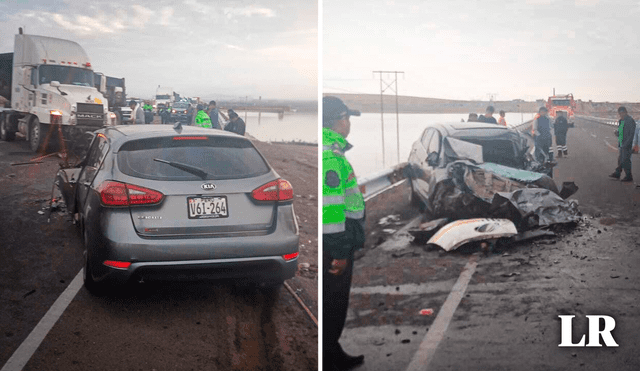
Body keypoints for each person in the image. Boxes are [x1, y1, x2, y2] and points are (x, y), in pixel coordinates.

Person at [322, 96, 366, 371]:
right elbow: (331, 209)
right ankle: (329, 357)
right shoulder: (331, 156)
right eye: (346, 117)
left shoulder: (333, 152)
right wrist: (339, 253)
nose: (349, 123)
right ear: (337, 121)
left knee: (334, 302)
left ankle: (331, 351)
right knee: (334, 303)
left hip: (337, 240)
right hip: (336, 244)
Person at [609, 106, 636, 182]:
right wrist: (617, 133)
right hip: (622, 144)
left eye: (622, 112)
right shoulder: (621, 121)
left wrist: (627, 144)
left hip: (627, 144)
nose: (621, 114)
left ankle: (628, 176)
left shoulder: (630, 121)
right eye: (620, 113)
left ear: (626, 112)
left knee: (626, 160)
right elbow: (621, 132)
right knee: (621, 159)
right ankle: (617, 173)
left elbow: (631, 134)